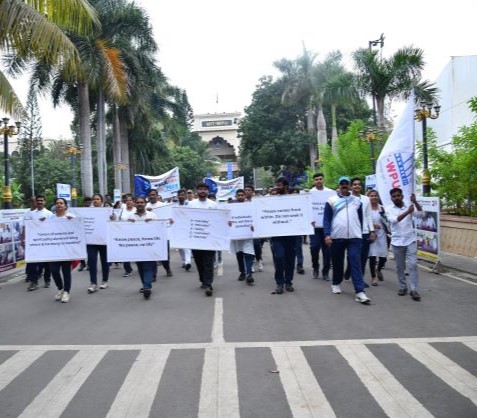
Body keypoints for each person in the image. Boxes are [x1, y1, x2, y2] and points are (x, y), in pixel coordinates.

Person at [323, 176, 370, 304]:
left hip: (354, 237)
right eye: (342, 184)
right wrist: (327, 234)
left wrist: (359, 232)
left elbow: (360, 218)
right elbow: (326, 219)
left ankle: (360, 292)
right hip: (337, 237)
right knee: (338, 263)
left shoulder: (356, 201)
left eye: (346, 184)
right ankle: (336, 282)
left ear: (349, 185)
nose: (344, 186)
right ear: (339, 186)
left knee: (355, 262)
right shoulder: (331, 200)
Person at [386, 189, 425, 301]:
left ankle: (414, 289)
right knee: (400, 267)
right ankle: (403, 287)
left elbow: (422, 215)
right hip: (397, 242)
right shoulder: (389, 209)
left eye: (398, 195)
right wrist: (408, 212)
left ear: (402, 196)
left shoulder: (410, 206)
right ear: (391, 198)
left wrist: (416, 202)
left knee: (413, 264)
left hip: (410, 240)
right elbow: (394, 220)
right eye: (394, 196)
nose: (397, 197)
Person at [344, 177, 376, 286]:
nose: (357, 186)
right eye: (354, 184)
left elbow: (369, 215)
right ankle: (349, 269)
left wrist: (372, 230)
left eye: (359, 184)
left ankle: (360, 279)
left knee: (363, 256)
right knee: (352, 255)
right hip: (352, 231)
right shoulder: (347, 198)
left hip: (364, 231)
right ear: (351, 186)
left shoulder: (366, 199)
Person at [188, 182, 218, 296]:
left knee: (208, 262)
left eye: (205, 189)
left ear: (208, 191)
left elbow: (218, 220)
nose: (203, 191)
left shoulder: (213, 204)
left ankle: (209, 284)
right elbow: (186, 219)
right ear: (197, 191)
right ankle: (203, 280)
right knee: (199, 261)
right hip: (196, 239)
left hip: (209, 239)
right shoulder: (191, 204)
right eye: (200, 189)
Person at [270, 177, 297, 294]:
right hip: (277, 236)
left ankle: (289, 282)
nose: (277, 187)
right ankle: (280, 283)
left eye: (279, 185)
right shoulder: (271, 201)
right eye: (277, 185)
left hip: (291, 235)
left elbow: (300, 213)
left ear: (286, 186)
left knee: (290, 260)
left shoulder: (295, 200)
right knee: (279, 258)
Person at [127, 196, 158, 299]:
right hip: (137, 247)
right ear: (135, 204)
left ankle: (147, 287)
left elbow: (159, 228)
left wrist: (153, 223)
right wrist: (128, 223)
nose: (140, 204)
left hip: (149, 246)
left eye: (142, 202)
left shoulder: (152, 215)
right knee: (140, 267)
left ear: (145, 203)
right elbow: (123, 230)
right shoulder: (130, 216)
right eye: (138, 202)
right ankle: (145, 284)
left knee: (147, 266)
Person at [23, 195, 53, 291]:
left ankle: (47, 280)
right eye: (38, 201)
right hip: (33, 242)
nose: (39, 202)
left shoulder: (49, 214)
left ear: (44, 202)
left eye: (41, 200)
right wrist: (23, 239)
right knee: (32, 263)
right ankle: (33, 282)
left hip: (45, 241)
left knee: (46, 263)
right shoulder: (30, 214)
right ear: (35, 202)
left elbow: (54, 227)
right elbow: (25, 227)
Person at [49, 198, 76, 303]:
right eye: (57, 203)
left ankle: (66, 292)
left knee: (66, 272)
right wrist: (41, 223)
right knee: (54, 271)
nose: (59, 205)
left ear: (65, 206)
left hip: (66, 250)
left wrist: (72, 222)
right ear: (55, 206)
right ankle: (60, 288)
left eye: (61, 203)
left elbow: (78, 231)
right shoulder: (50, 218)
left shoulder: (71, 217)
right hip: (54, 250)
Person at [309, 173, 335, 280]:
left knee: (327, 251)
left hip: (326, 227)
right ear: (314, 181)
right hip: (314, 227)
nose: (318, 181)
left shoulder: (330, 193)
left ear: (323, 180)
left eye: (320, 179)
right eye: (316, 179)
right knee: (314, 248)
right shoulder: (310, 193)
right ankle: (315, 267)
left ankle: (325, 272)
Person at [85, 194, 110, 294]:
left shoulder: (107, 210)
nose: (96, 201)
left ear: (101, 200)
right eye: (94, 199)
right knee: (92, 261)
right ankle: (93, 283)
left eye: (98, 199)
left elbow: (113, 222)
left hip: (104, 241)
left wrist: (112, 217)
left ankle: (105, 280)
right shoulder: (87, 211)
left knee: (104, 261)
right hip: (91, 241)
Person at [146, 189, 173, 278]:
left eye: (154, 194)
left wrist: (171, 220)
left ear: (157, 196)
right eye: (150, 195)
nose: (152, 196)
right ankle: (153, 275)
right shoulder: (145, 206)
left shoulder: (163, 206)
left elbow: (169, 218)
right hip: (151, 235)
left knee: (164, 255)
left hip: (163, 234)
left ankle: (167, 268)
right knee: (153, 255)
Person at [230, 189, 255, 284]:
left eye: (242, 195)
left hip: (248, 234)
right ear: (236, 197)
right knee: (239, 254)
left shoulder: (251, 206)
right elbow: (227, 219)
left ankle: (249, 274)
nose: (240, 197)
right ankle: (242, 272)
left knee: (249, 254)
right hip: (237, 235)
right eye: (238, 195)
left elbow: (255, 218)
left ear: (245, 196)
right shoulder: (231, 207)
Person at [368, 190, 388, 286]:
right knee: (372, 256)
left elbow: (387, 222)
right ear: (369, 197)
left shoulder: (382, 209)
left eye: (375, 195)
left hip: (382, 235)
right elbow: (363, 222)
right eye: (371, 196)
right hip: (371, 235)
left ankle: (379, 269)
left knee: (383, 257)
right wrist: (372, 226)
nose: (374, 197)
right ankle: (373, 277)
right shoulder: (366, 209)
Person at [244, 184, 264, 272]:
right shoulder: (242, 203)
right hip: (245, 228)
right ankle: (250, 264)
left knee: (256, 246)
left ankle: (259, 260)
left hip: (256, 228)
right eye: (246, 190)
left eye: (249, 190)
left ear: (253, 192)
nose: (247, 192)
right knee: (248, 248)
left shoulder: (257, 201)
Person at [117, 194, 136, 277]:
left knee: (137, 251)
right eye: (127, 200)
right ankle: (128, 269)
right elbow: (117, 220)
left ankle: (141, 266)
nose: (129, 202)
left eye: (130, 200)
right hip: (124, 234)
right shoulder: (122, 210)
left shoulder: (136, 209)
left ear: (133, 202)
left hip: (135, 234)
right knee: (125, 252)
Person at [175, 189, 192, 271]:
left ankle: (188, 262)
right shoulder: (174, 205)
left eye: (182, 195)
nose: (181, 196)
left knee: (187, 245)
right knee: (180, 246)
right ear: (177, 196)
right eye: (179, 195)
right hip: (177, 228)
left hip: (187, 227)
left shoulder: (190, 204)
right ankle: (184, 261)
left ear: (185, 196)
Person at [78, 196, 92, 272]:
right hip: (81, 233)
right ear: (84, 203)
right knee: (81, 250)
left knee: (90, 251)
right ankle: (82, 263)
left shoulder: (94, 210)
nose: (88, 203)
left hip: (91, 233)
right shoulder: (80, 211)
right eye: (86, 202)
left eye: (89, 202)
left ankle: (89, 264)